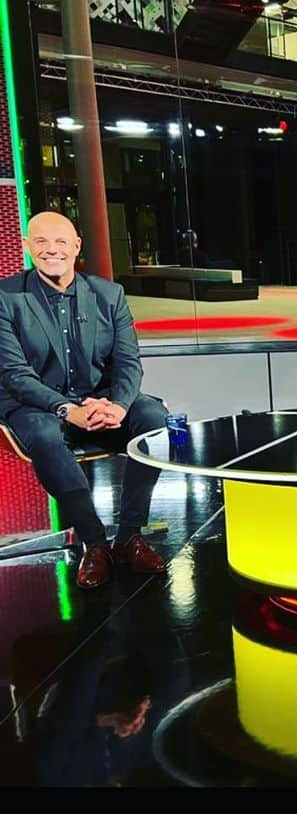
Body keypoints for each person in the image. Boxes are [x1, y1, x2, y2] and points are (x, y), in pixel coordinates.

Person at [0, 211, 169, 589]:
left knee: (155, 418)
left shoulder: (109, 295)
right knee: (44, 435)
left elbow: (128, 363)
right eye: (41, 241)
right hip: (37, 406)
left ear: (76, 246)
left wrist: (119, 406)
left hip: (101, 402)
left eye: (61, 241)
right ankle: (95, 544)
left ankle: (129, 536)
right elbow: (14, 374)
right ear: (27, 247)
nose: (51, 250)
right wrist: (68, 409)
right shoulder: (5, 298)